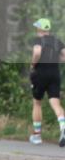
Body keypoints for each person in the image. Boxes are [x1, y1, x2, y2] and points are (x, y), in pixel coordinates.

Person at [29, 18, 65, 146]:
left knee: (37, 103)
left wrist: (33, 64)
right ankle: (63, 127)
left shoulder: (38, 40)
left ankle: (37, 136)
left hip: (40, 74)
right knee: (55, 103)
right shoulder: (57, 41)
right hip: (55, 74)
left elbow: (37, 52)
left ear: (39, 29)